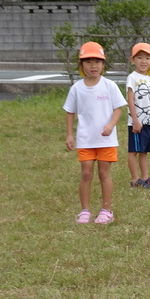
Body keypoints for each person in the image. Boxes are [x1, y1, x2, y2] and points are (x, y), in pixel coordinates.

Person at [64, 41, 125, 225]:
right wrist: (69, 134)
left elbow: (118, 109)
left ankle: (106, 210)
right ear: (81, 65)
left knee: (104, 173)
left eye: (97, 61)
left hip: (106, 141)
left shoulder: (109, 86)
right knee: (86, 173)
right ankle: (85, 210)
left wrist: (110, 125)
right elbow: (69, 111)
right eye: (88, 61)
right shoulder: (76, 88)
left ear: (103, 64)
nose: (93, 65)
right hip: (85, 140)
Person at [126, 42, 150, 190]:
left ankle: (145, 178)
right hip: (137, 124)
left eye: (147, 58)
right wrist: (135, 121)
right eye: (139, 57)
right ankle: (135, 180)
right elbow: (130, 99)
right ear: (132, 60)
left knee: (144, 151)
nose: (143, 61)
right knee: (134, 150)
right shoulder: (132, 77)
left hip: (148, 122)